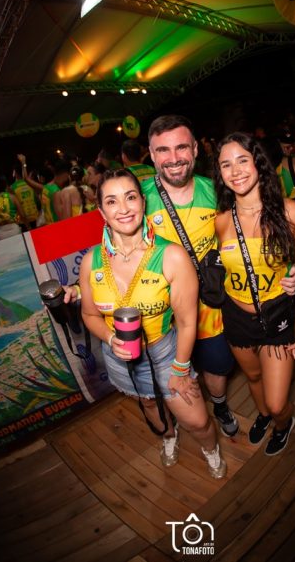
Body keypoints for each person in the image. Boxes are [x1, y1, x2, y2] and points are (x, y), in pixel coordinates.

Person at [142, 115, 295, 441]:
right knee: (173, 381)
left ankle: (221, 405)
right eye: (163, 150)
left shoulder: (218, 192)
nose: (173, 158)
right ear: (151, 154)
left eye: (181, 147)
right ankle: (180, 430)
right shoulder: (137, 199)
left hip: (212, 308)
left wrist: (289, 268)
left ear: (195, 149)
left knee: (218, 367)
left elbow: (258, 230)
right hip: (162, 317)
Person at [78, 168, 227, 478]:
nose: (124, 208)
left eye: (130, 197)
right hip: (119, 356)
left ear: (143, 203)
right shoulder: (92, 262)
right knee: (150, 408)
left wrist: (180, 369)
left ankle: (210, 448)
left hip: (167, 353)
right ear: (101, 211)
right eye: (112, 201)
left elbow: (187, 321)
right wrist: (110, 338)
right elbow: (90, 315)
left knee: (199, 421)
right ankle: (169, 437)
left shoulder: (171, 256)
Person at [213, 131, 295, 455]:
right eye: (226, 165)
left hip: (275, 316)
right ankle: (262, 416)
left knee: (277, 402)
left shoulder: (291, 212)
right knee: (254, 378)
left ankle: (282, 423)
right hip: (235, 317)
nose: (235, 171)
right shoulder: (221, 221)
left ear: (258, 163)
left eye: (242, 160)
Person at [11, 160, 40, 229]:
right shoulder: (30, 183)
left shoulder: (12, 188)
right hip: (35, 217)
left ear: (15, 172)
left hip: (23, 221)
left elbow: (13, 206)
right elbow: (37, 200)